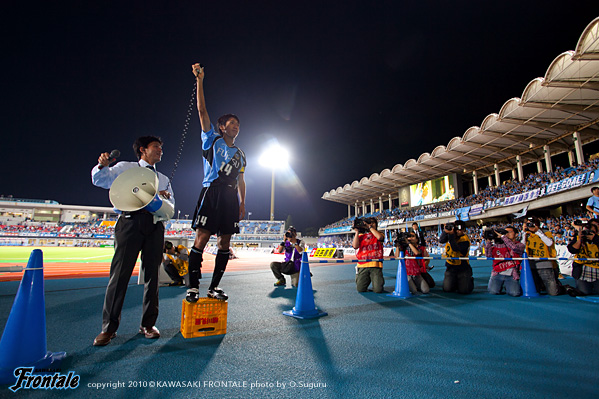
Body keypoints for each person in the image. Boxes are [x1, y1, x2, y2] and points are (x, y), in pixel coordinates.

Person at [91, 136, 174, 346]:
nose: (160, 151)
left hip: (155, 226)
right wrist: (102, 165)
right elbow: (100, 179)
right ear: (143, 150)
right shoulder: (125, 168)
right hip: (129, 222)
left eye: (161, 148)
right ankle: (108, 328)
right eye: (156, 147)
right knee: (119, 276)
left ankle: (148, 324)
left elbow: (171, 207)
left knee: (152, 277)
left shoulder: (163, 178)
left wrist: (160, 199)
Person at [186, 63, 247, 303]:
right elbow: (201, 111)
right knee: (201, 239)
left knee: (225, 242)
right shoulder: (211, 140)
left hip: (231, 198)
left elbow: (242, 179)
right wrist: (200, 80)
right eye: (231, 123)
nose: (235, 127)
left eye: (238, 125)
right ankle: (193, 288)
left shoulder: (241, 154)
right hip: (212, 192)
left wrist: (243, 204)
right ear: (222, 127)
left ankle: (213, 288)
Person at [522, 216, 560, 296]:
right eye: (527, 224)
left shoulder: (545, 232)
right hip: (532, 264)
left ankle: (560, 286)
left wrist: (538, 232)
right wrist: (524, 233)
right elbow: (522, 246)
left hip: (545, 263)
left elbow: (549, 243)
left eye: (531, 224)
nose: (529, 226)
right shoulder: (527, 234)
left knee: (553, 292)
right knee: (535, 290)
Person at [485, 226, 524, 296]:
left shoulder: (520, 245)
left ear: (516, 234)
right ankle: (502, 285)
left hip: (511, 274)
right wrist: (488, 241)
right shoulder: (498, 246)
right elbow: (488, 255)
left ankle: (507, 285)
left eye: (509, 232)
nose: (506, 234)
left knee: (515, 293)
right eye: (505, 233)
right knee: (493, 291)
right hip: (498, 273)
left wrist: (503, 237)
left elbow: (514, 248)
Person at [439, 220, 473, 294]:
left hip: (462, 267)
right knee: (447, 289)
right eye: (456, 229)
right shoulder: (451, 235)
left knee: (464, 291)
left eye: (460, 230)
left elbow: (455, 249)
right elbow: (441, 240)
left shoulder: (465, 239)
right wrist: (445, 231)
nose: (457, 231)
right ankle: (456, 282)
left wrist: (451, 236)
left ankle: (468, 279)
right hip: (451, 267)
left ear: (464, 230)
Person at [353, 217, 385, 293]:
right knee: (360, 289)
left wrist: (369, 227)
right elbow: (355, 246)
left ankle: (376, 281)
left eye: (373, 222)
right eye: (369, 222)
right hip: (362, 264)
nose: (371, 224)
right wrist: (357, 231)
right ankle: (359, 274)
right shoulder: (361, 236)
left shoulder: (379, 233)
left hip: (375, 264)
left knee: (378, 290)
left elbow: (380, 238)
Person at [567, 220, 599, 295]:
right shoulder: (578, 237)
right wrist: (579, 240)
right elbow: (572, 250)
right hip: (582, 268)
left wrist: (595, 238)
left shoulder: (597, 238)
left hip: (597, 267)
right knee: (584, 291)